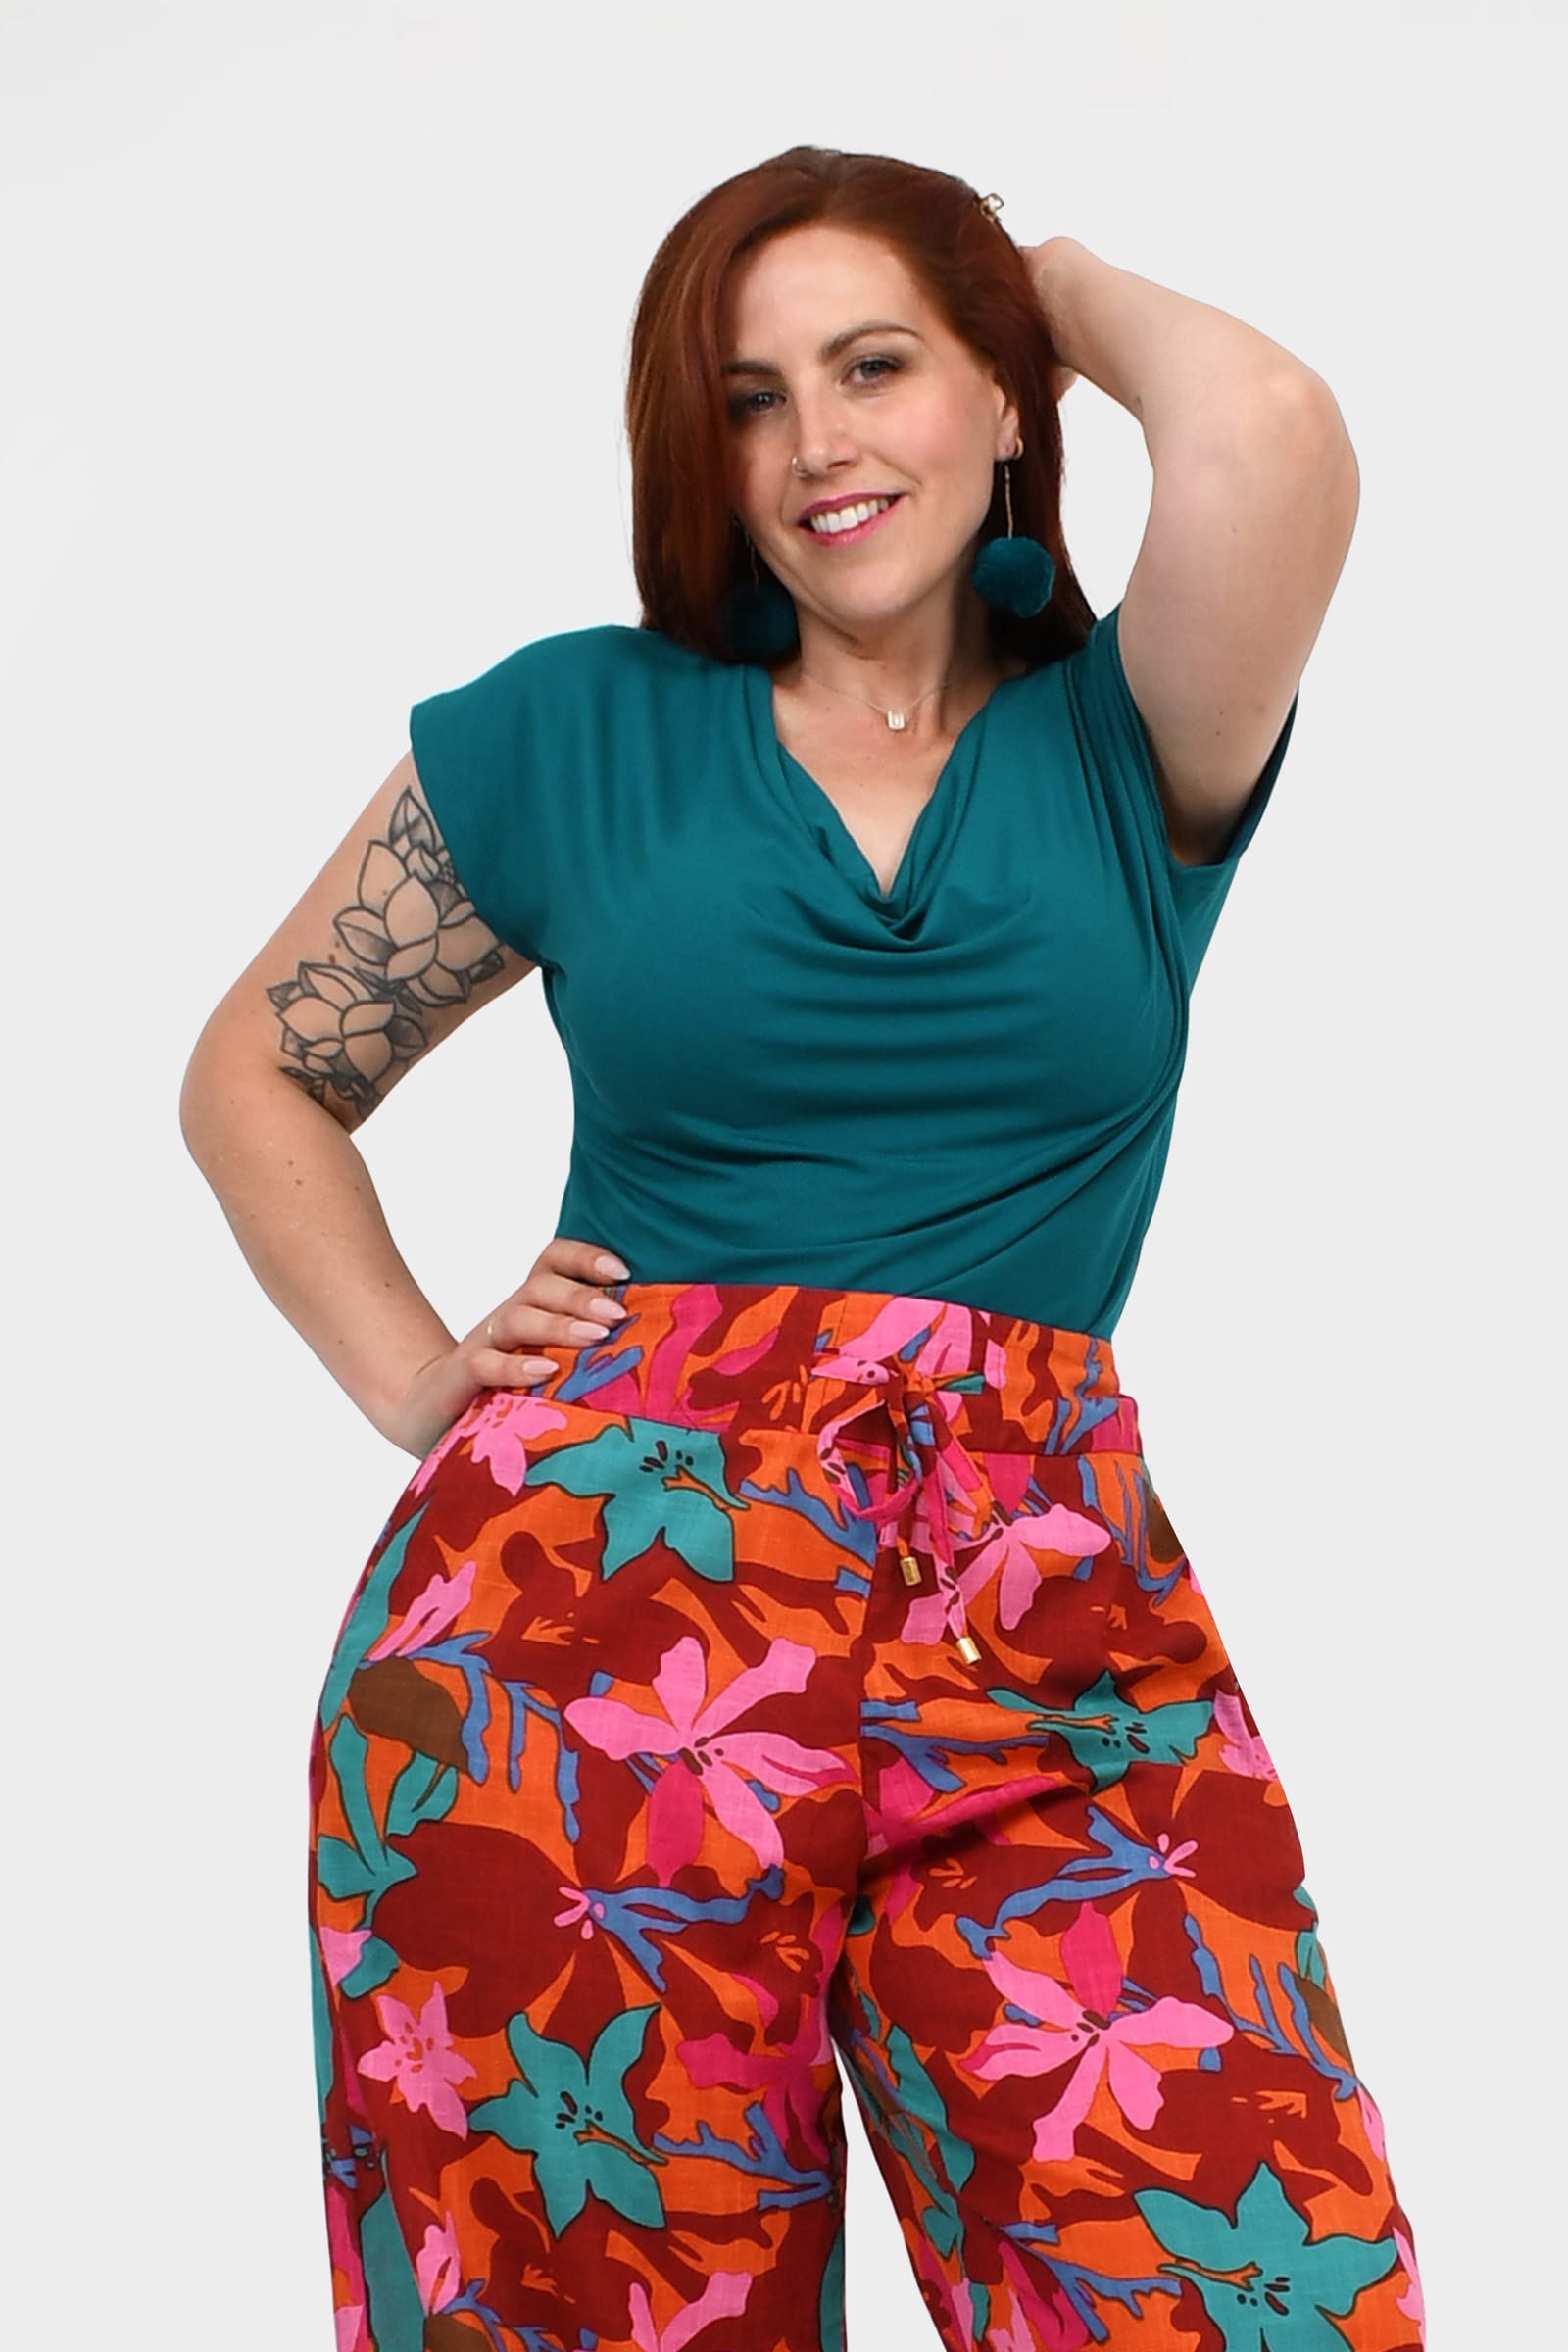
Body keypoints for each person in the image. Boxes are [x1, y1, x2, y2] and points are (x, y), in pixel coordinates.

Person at [179, 146, 1424, 2352]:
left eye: (875, 368)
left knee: (1251, 2293)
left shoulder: (1133, 731)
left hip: (1047, 1624)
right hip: (576, 1637)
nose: (814, 444)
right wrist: (407, 1371)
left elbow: (1264, 426)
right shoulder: (576, 728)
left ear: (1005, 393)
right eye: (747, 398)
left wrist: (1034, 275)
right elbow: (259, 1067)